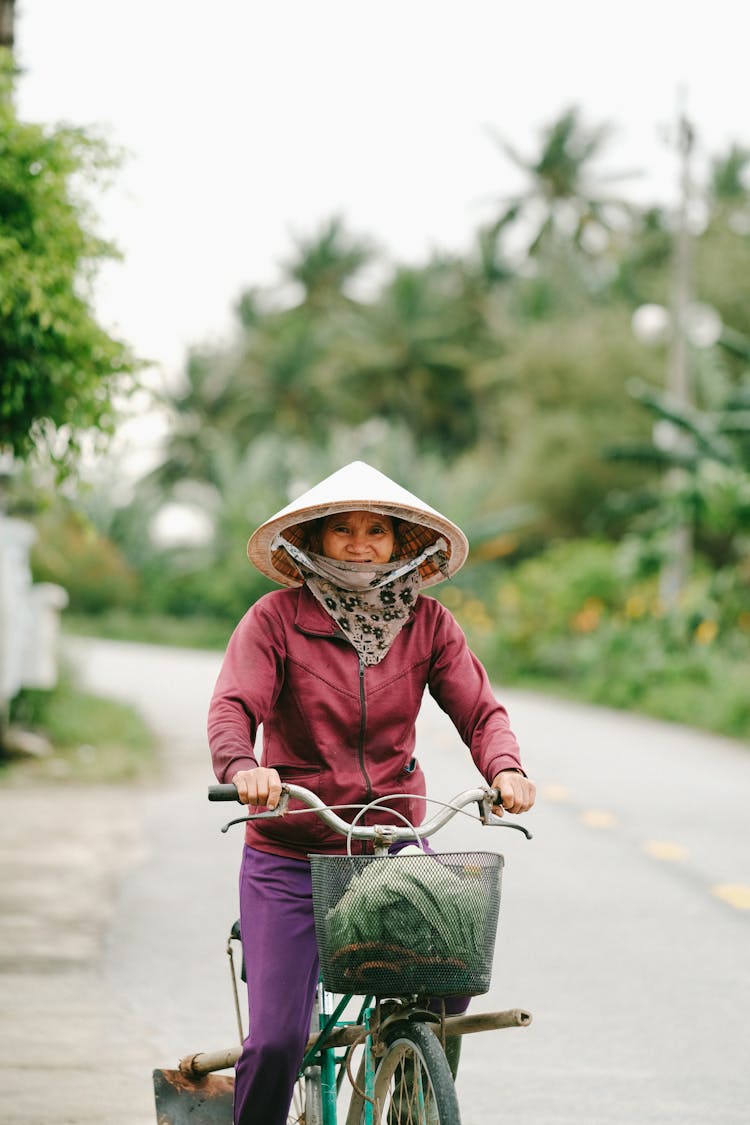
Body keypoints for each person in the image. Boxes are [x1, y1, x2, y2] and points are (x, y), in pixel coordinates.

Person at [208, 460, 536, 1125]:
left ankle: (406, 1073)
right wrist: (245, 765)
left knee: (449, 974)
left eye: (377, 531)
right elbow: (232, 707)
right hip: (291, 852)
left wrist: (505, 768)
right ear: (315, 541)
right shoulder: (274, 620)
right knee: (276, 1042)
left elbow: (481, 711)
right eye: (344, 530)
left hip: (387, 842)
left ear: (401, 544)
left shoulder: (431, 625)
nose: (361, 545)